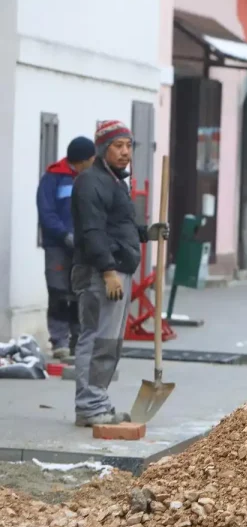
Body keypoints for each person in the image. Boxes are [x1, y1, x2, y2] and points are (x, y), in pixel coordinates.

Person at [72, 121, 168, 427]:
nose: (125, 152)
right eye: (118, 145)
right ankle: (90, 404)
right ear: (103, 148)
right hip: (100, 272)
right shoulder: (91, 182)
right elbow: (92, 231)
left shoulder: (115, 181)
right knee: (99, 338)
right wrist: (108, 270)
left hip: (114, 268)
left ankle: (96, 401)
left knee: (108, 339)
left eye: (129, 145)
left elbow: (118, 228)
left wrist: (146, 233)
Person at [36, 136, 96, 359]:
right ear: (82, 161)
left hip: (83, 247)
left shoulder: (90, 178)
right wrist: (64, 235)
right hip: (57, 247)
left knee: (81, 293)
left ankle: (78, 340)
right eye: (91, 158)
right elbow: (46, 212)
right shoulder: (53, 178)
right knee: (59, 292)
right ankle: (59, 341)